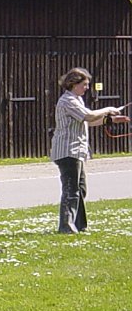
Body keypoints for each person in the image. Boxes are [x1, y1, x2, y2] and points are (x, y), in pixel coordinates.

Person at [49, 68, 129, 233]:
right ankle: (66, 227)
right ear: (73, 84)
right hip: (67, 151)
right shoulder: (67, 101)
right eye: (84, 84)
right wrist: (108, 109)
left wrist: (110, 120)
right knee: (71, 190)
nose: (86, 88)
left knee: (80, 189)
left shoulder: (77, 100)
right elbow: (89, 116)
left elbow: (88, 122)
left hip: (78, 151)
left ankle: (79, 225)